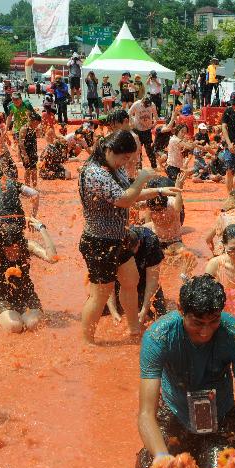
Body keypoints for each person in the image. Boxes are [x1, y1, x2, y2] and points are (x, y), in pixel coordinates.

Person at [136, 275, 235, 468]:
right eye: (197, 323)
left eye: (214, 322)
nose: (205, 332)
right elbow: (146, 413)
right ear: (180, 310)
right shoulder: (158, 337)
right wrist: (160, 455)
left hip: (221, 415)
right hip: (174, 413)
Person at [79, 130, 179, 342]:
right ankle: (87, 341)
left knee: (131, 280)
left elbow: (130, 195)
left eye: (128, 159)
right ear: (109, 150)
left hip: (119, 237)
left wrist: (158, 191)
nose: (125, 163)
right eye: (123, 158)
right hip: (99, 241)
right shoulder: (94, 172)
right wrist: (142, 178)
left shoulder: (115, 168)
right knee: (100, 295)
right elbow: (124, 200)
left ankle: (134, 329)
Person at [0, 217, 57, 333]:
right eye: (8, 251)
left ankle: (24, 316)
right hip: (2, 298)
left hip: (27, 296)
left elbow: (52, 258)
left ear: (20, 244)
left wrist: (42, 229)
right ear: (2, 247)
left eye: (16, 249)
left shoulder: (28, 246)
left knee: (32, 324)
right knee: (14, 326)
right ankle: (5, 315)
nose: (13, 254)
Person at [106, 225, 167, 325]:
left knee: (160, 316)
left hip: (144, 281)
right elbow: (107, 280)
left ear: (139, 243)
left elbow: (152, 280)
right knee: (97, 305)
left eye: (132, 254)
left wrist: (144, 311)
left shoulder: (150, 241)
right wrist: (113, 311)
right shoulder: (113, 244)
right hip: (120, 281)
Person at [143, 175, 187, 254]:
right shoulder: (149, 204)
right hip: (157, 240)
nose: (159, 213)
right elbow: (132, 203)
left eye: (160, 208)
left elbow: (178, 208)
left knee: (184, 252)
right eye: (155, 209)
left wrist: (178, 190)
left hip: (174, 241)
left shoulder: (171, 202)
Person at [129, 95, 159, 170]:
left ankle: (154, 165)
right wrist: (132, 124)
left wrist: (154, 124)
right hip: (137, 129)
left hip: (147, 129)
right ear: (142, 102)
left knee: (149, 149)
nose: (146, 107)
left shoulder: (152, 105)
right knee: (138, 150)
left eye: (147, 106)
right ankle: (139, 167)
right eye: (144, 106)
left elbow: (156, 117)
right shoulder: (136, 104)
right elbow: (129, 114)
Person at [18, 112, 41, 188]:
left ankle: (34, 187)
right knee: (27, 170)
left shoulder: (33, 128)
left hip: (33, 151)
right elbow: (21, 143)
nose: (37, 125)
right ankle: (27, 187)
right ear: (34, 121)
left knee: (34, 170)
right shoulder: (24, 129)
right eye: (37, 123)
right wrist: (25, 155)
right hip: (26, 152)